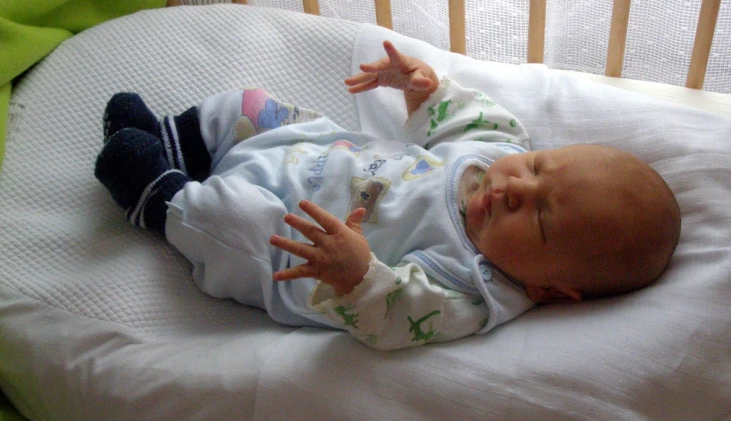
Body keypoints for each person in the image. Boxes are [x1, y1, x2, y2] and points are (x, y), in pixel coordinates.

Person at [94, 41, 681, 350]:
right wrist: (422, 86)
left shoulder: (471, 289)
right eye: (536, 167)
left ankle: (156, 191)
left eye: (541, 219)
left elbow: (398, 317)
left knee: (232, 223)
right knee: (255, 108)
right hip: (314, 152)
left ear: (551, 289)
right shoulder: (495, 148)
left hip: (292, 243)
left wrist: (359, 274)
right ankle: (178, 141)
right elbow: (461, 114)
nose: (514, 190)